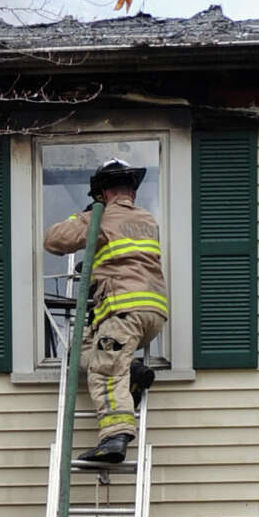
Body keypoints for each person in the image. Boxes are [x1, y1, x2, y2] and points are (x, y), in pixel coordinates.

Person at [44, 156, 168, 468]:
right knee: (81, 356)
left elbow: (53, 241)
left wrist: (84, 217)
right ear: (132, 192)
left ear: (103, 193)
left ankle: (115, 436)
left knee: (104, 371)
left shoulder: (101, 218)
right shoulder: (146, 220)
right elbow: (125, 258)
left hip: (122, 311)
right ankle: (133, 376)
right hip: (150, 313)